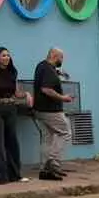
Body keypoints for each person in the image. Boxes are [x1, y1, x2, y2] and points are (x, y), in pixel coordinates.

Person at [0, 47, 30, 185]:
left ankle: (15, 174)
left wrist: (27, 94)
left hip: (10, 108)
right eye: (3, 55)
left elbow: (16, 93)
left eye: (8, 55)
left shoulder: (12, 72)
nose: (6, 58)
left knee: (12, 141)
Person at [33, 47, 73, 181]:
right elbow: (46, 89)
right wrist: (63, 98)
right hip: (50, 110)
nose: (62, 61)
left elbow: (47, 82)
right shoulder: (48, 69)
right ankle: (53, 161)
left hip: (40, 110)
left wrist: (60, 74)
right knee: (66, 132)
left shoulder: (42, 66)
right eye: (61, 58)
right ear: (55, 56)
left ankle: (44, 170)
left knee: (47, 138)